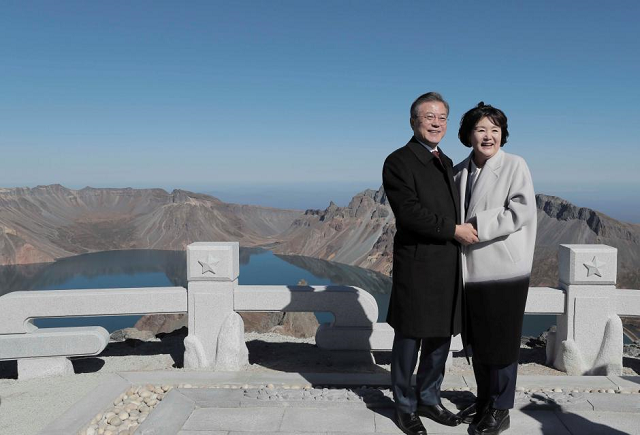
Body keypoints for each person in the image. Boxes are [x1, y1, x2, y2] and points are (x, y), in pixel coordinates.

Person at [383, 92, 479, 435]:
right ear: (414, 122)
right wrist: (454, 230)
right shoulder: (399, 161)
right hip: (418, 262)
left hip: (448, 264)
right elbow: (409, 213)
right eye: (429, 117)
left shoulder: (447, 160)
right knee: (409, 337)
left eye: (442, 118)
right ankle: (404, 406)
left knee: (440, 337)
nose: (436, 123)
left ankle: (428, 397)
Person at [453, 102, 537, 435]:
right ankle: (485, 398)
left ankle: (501, 408)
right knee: (478, 340)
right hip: (470, 270)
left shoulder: (515, 165)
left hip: (504, 268)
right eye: (481, 129)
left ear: (503, 135)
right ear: (468, 135)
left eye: (495, 130)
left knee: (501, 341)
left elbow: (521, 210)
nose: (488, 136)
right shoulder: (459, 171)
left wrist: (476, 225)